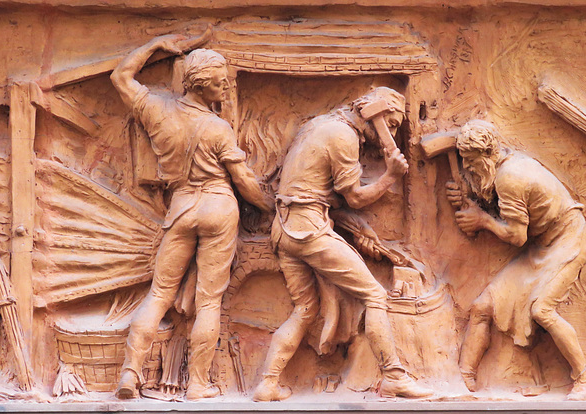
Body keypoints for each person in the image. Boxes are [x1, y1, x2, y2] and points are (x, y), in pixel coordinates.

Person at [110, 34, 273, 400]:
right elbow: (245, 183)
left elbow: (121, 76)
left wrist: (156, 45)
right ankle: (198, 384)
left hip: (181, 207)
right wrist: (272, 206)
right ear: (201, 84)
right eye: (220, 83)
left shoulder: (156, 110)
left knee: (159, 294)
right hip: (218, 207)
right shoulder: (219, 128)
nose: (226, 89)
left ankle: (130, 373)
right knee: (209, 302)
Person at [252, 87, 433, 402]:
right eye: (389, 124)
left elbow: (323, 192)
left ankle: (267, 383)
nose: (389, 133)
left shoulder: (321, 124)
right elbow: (354, 197)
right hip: (307, 230)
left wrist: (354, 226)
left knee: (305, 309)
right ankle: (393, 377)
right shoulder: (343, 136)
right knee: (375, 295)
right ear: (371, 113)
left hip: (285, 229)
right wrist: (390, 176)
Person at [446, 120, 586, 401]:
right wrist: (470, 198)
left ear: (488, 154)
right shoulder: (503, 165)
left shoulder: (511, 177)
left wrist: (482, 220)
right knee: (482, 307)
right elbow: (503, 203)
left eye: (470, 161)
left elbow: (516, 236)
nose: (466, 168)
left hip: (569, 242)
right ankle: (463, 379)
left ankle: (585, 379)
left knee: (542, 310)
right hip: (543, 247)